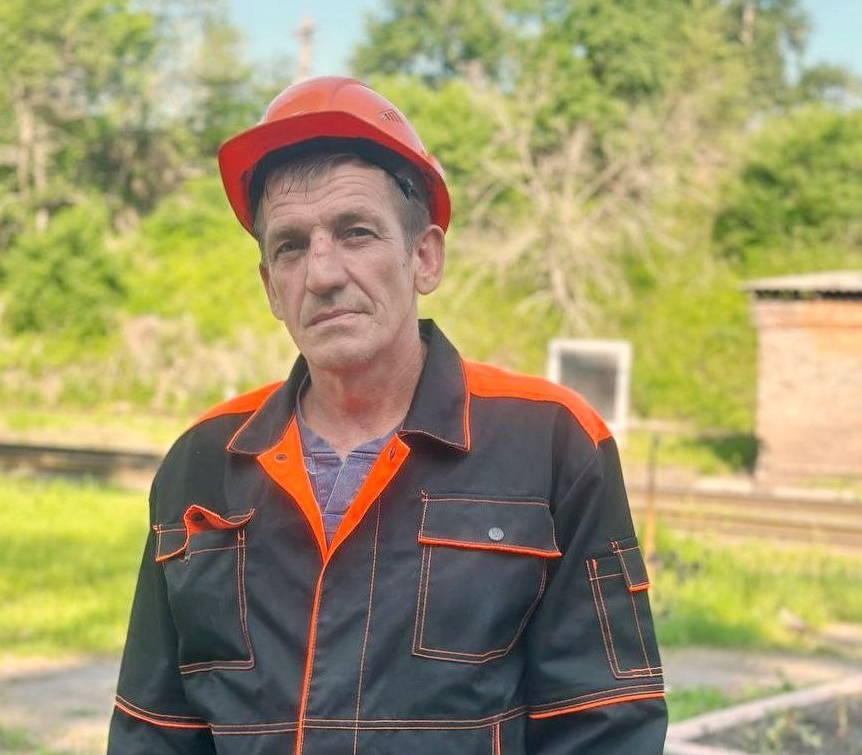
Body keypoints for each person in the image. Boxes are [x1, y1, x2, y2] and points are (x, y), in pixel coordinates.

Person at [107, 76, 667, 754]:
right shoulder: (203, 462)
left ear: (424, 257)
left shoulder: (551, 443)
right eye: (290, 246)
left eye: (356, 232)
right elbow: (153, 730)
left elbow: (606, 727)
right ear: (270, 287)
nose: (322, 274)